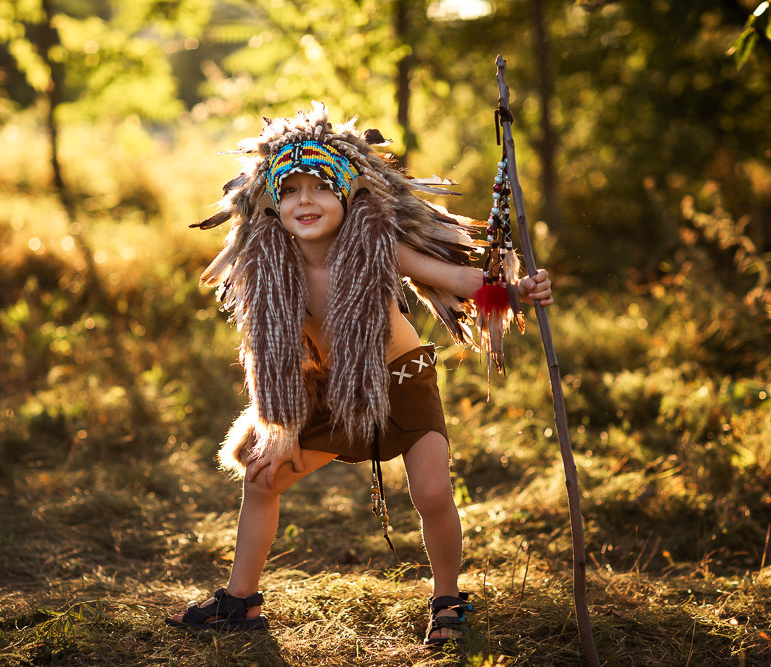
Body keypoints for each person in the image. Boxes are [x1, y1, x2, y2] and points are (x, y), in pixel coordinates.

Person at [166, 103, 552, 647]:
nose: (306, 201)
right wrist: (277, 425)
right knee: (262, 477)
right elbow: (265, 350)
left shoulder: (376, 245)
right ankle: (241, 601)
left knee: (433, 493)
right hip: (334, 387)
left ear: (348, 194)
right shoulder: (270, 264)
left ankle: (447, 599)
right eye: (291, 189)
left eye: (320, 188)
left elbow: (462, 281)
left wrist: (514, 293)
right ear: (273, 203)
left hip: (400, 379)